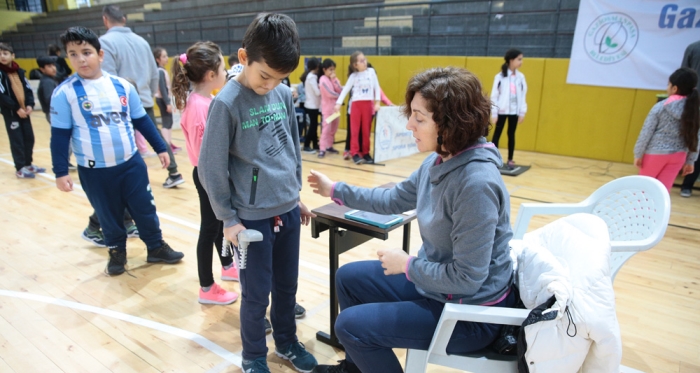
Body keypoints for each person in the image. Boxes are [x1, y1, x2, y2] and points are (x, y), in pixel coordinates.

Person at [308, 67, 516, 373]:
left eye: (419, 118)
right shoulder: (439, 160)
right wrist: (335, 189)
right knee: (348, 279)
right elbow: (392, 200)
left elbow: (467, 278)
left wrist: (408, 265)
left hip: (470, 314)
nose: (409, 125)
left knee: (349, 326)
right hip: (437, 289)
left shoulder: (475, 184)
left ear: (450, 124)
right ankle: (356, 369)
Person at [197, 13, 318, 373]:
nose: (270, 85)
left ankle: (286, 342)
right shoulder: (227, 103)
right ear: (244, 57)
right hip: (250, 221)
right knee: (255, 294)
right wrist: (228, 220)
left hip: (287, 210)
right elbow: (210, 168)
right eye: (265, 75)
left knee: (287, 287)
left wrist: (294, 194)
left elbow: (291, 149)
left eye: (279, 78)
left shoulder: (281, 93)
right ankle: (252, 355)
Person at [50, 26, 184, 275]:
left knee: (144, 208)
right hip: (95, 172)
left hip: (130, 165)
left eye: (86, 52)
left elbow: (142, 120)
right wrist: (60, 171)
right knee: (108, 214)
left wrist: (160, 148)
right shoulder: (64, 93)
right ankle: (116, 252)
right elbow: (60, 136)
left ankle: (155, 247)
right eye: (73, 54)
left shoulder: (122, 86)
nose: (81, 59)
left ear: (100, 55)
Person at [171, 41, 239, 305]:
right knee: (209, 230)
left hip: (211, 174)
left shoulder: (203, 99)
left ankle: (226, 266)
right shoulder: (199, 106)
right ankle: (207, 288)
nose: (225, 72)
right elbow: (207, 153)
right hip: (209, 176)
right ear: (211, 75)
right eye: (222, 68)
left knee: (219, 224)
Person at [99, 5, 184, 188]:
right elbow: (154, 74)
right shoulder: (142, 42)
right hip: (143, 100)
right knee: (156, 137)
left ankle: (129, 180)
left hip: (120, 104)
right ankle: (174, 172)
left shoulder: (105, 43)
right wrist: (147, 94)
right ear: (124, 19)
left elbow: (108, 79)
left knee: (124, 142)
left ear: (105, 20)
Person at [634, 67, 700, 192]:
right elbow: (696, 137)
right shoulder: (695, 111)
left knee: (642, 190)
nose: (667, 87)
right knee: (663, 192)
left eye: (668, 84)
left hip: (655, 154)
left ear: (674, 88)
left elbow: (646, 132)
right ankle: (658, 212)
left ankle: (640, 211)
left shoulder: (660, 107)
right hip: (679, 155)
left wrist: (638, 153)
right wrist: (691, 160)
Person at [0, 42, 45, 179]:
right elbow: (1, 95)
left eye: (5, 53)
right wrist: (16, 108)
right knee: (17, 140)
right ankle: (20, 168)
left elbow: (28, 90)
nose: (2, 56)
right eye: (0, 54)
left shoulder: (20, 71)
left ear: (12, 56)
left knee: (28, 138)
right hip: (12, 113)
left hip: (25, 112)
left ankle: (28, 164)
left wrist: (30, 105)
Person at [334, 51, 381, 165]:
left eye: (364, 59)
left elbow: (377, 87)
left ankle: (365, 152)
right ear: (355, 65)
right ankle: (354, 153)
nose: (364, 62)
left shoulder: (371, 72)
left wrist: (377, 102)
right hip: (356, 105)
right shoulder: (353, 76)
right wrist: (338, 103)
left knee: (366, 130)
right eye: (361, 61)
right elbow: (345, 90)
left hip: (368, 104)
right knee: (354, 131)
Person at [490, 48, 527, 170]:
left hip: (514, 112)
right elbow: (494, 95)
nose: (521, 62)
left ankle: (510, 159)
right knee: (497, 134)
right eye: (519, 59)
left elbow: (523, 95)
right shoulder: (500, 77)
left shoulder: (520, 77)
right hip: (501, 111)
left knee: (511, 134)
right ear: (511, 60)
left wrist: (522, 111)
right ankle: (492, 158)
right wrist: (494, 112)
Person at [680, 40, 700, 197]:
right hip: (693, 104)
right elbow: (683, 75)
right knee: (692, 142)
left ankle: (688, 185)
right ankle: (686, 185)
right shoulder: (693, 47)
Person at [153, 47, 180, 154]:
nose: (166, 58)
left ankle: (169, 143)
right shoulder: (160, 71)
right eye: (163, 56)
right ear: (157, 59)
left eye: (166, 56)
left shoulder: (162, 71)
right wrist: (167, 103)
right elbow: (163, 89)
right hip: (162, 100)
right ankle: (166, 145)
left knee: (169, 122)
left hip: (164, 99)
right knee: (166, 123)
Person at [318, 58, 342, 158]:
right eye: (330, 69)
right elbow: (329, 93)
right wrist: (339, 96)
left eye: (333, 69)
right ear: (324, 69)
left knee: (334, 129)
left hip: (335, 110)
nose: (332, 72)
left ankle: (329, 146)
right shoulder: (322, 79)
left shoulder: (334, 79)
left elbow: (340, 89)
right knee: (326, 130)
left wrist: (334, 80)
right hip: (327, 110)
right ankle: (322, 149)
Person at [303, 58, 321, 153]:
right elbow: (317, 93)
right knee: (313, 126)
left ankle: (315, 144)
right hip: (312, 106)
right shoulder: (312, 78)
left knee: (314, 126)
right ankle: (306, 145)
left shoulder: (310, 76)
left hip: (313, 105)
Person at [36, 56, 59, 124]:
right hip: (54, 113)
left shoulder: (50, 80)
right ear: (42, 69)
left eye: (54, 65)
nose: (53, 68)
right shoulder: (47, 82)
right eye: (49, 66)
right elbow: (50, 100)